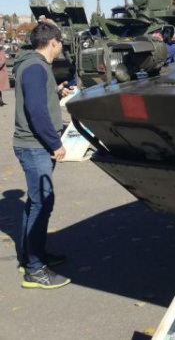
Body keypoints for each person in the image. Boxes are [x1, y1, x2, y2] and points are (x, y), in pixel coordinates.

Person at [12, 22, 72, 289]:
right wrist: (55, 143)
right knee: (42, 203)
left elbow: (36, 100)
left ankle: (32, 256)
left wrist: (57, 92)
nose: (62, 46)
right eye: (61, 42)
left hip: (34, 145)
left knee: (36, 203)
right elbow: (36, 113)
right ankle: (35, 269)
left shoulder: (32, 65)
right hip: (36, 145)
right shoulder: (36, 67)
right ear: (54, 42)